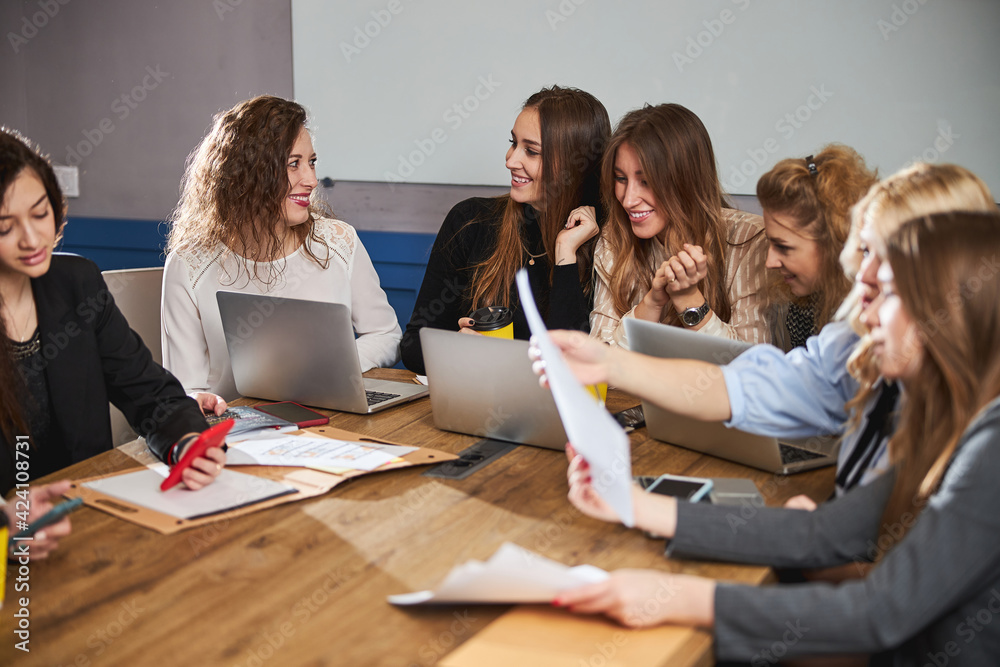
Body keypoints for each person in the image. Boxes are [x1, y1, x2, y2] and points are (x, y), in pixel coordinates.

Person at [553, 210, 1000, 665]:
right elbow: (827, 531)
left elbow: (878, 613)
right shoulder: (940, 417)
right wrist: (634, 505)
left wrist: (680, 599)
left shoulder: (990, 448)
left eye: (886, 293)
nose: (866, 315)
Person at [546, 163, 997, 502]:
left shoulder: (982, 444)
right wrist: (608, 361)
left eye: (882, 283)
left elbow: (883, 593)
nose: (863, 295)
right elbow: (747, 384)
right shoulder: (848, 346)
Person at [0, 128, 225, 500]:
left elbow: (150, 394)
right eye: (6, 226)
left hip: (86, 509)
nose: (32, 237)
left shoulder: (77, 284)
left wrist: (185, 443)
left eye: (40, 213)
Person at [162, 95, 401, 401]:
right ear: (246, 173)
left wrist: (327, 368)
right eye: (293, 164)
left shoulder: (340, 241)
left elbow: (386, 335)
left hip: (330, 421)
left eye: (312, 162)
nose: (312, 180)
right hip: (235, 431)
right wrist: (197, 400)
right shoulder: (188, 264)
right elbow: (185, 388)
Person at [400, 86, 611, 374]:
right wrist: (456, 350)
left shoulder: (606, 240)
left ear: (574, 166)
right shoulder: (471, 220)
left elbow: (571, 366)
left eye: (531, 151)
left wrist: (565, 255)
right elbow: (413, 345)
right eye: (513, 143)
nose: (510, 160)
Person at [589, 103, 769, 347]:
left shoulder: (749, 239)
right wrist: (652, 303)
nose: (628, 199)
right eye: (621, 179)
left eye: (646, 181)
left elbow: (752, 367)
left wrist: (689, 300)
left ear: (686, 180)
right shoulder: (614, 237)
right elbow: (599, 357)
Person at [757, 145, 877, 350]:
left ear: (835, 244)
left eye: (784, 247)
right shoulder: (804, 305)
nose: (770, 262)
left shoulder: (877, 314)